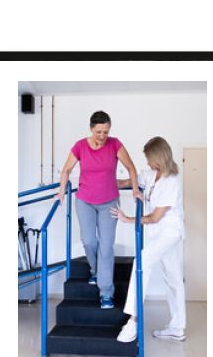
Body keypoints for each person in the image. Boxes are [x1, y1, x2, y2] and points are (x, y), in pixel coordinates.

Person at [56, 111, 140, 309]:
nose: (102, 136)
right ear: (91, 129)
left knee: (106, 246)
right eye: (99, 132)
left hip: (109, 202)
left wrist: (135, 190)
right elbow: (66, 170)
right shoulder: (80, 146)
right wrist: (61, 192)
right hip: (84, 201)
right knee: (89, 241)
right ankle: (94, 270)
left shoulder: (115, 144)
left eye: (106, 131)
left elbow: (132, 168)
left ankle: (106, 292)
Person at [110, 136, 186, 341]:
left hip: (169, 233)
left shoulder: (171, 182)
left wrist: (127, 219)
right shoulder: (152, 175)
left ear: (158, 157)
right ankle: (177, 328)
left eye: (149, 158)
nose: (147, 162)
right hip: (158, 234)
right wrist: (102, 183)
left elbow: (154, 217)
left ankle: (133, 321)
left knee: (141, 262)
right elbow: (127, 181)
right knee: (173, 279)